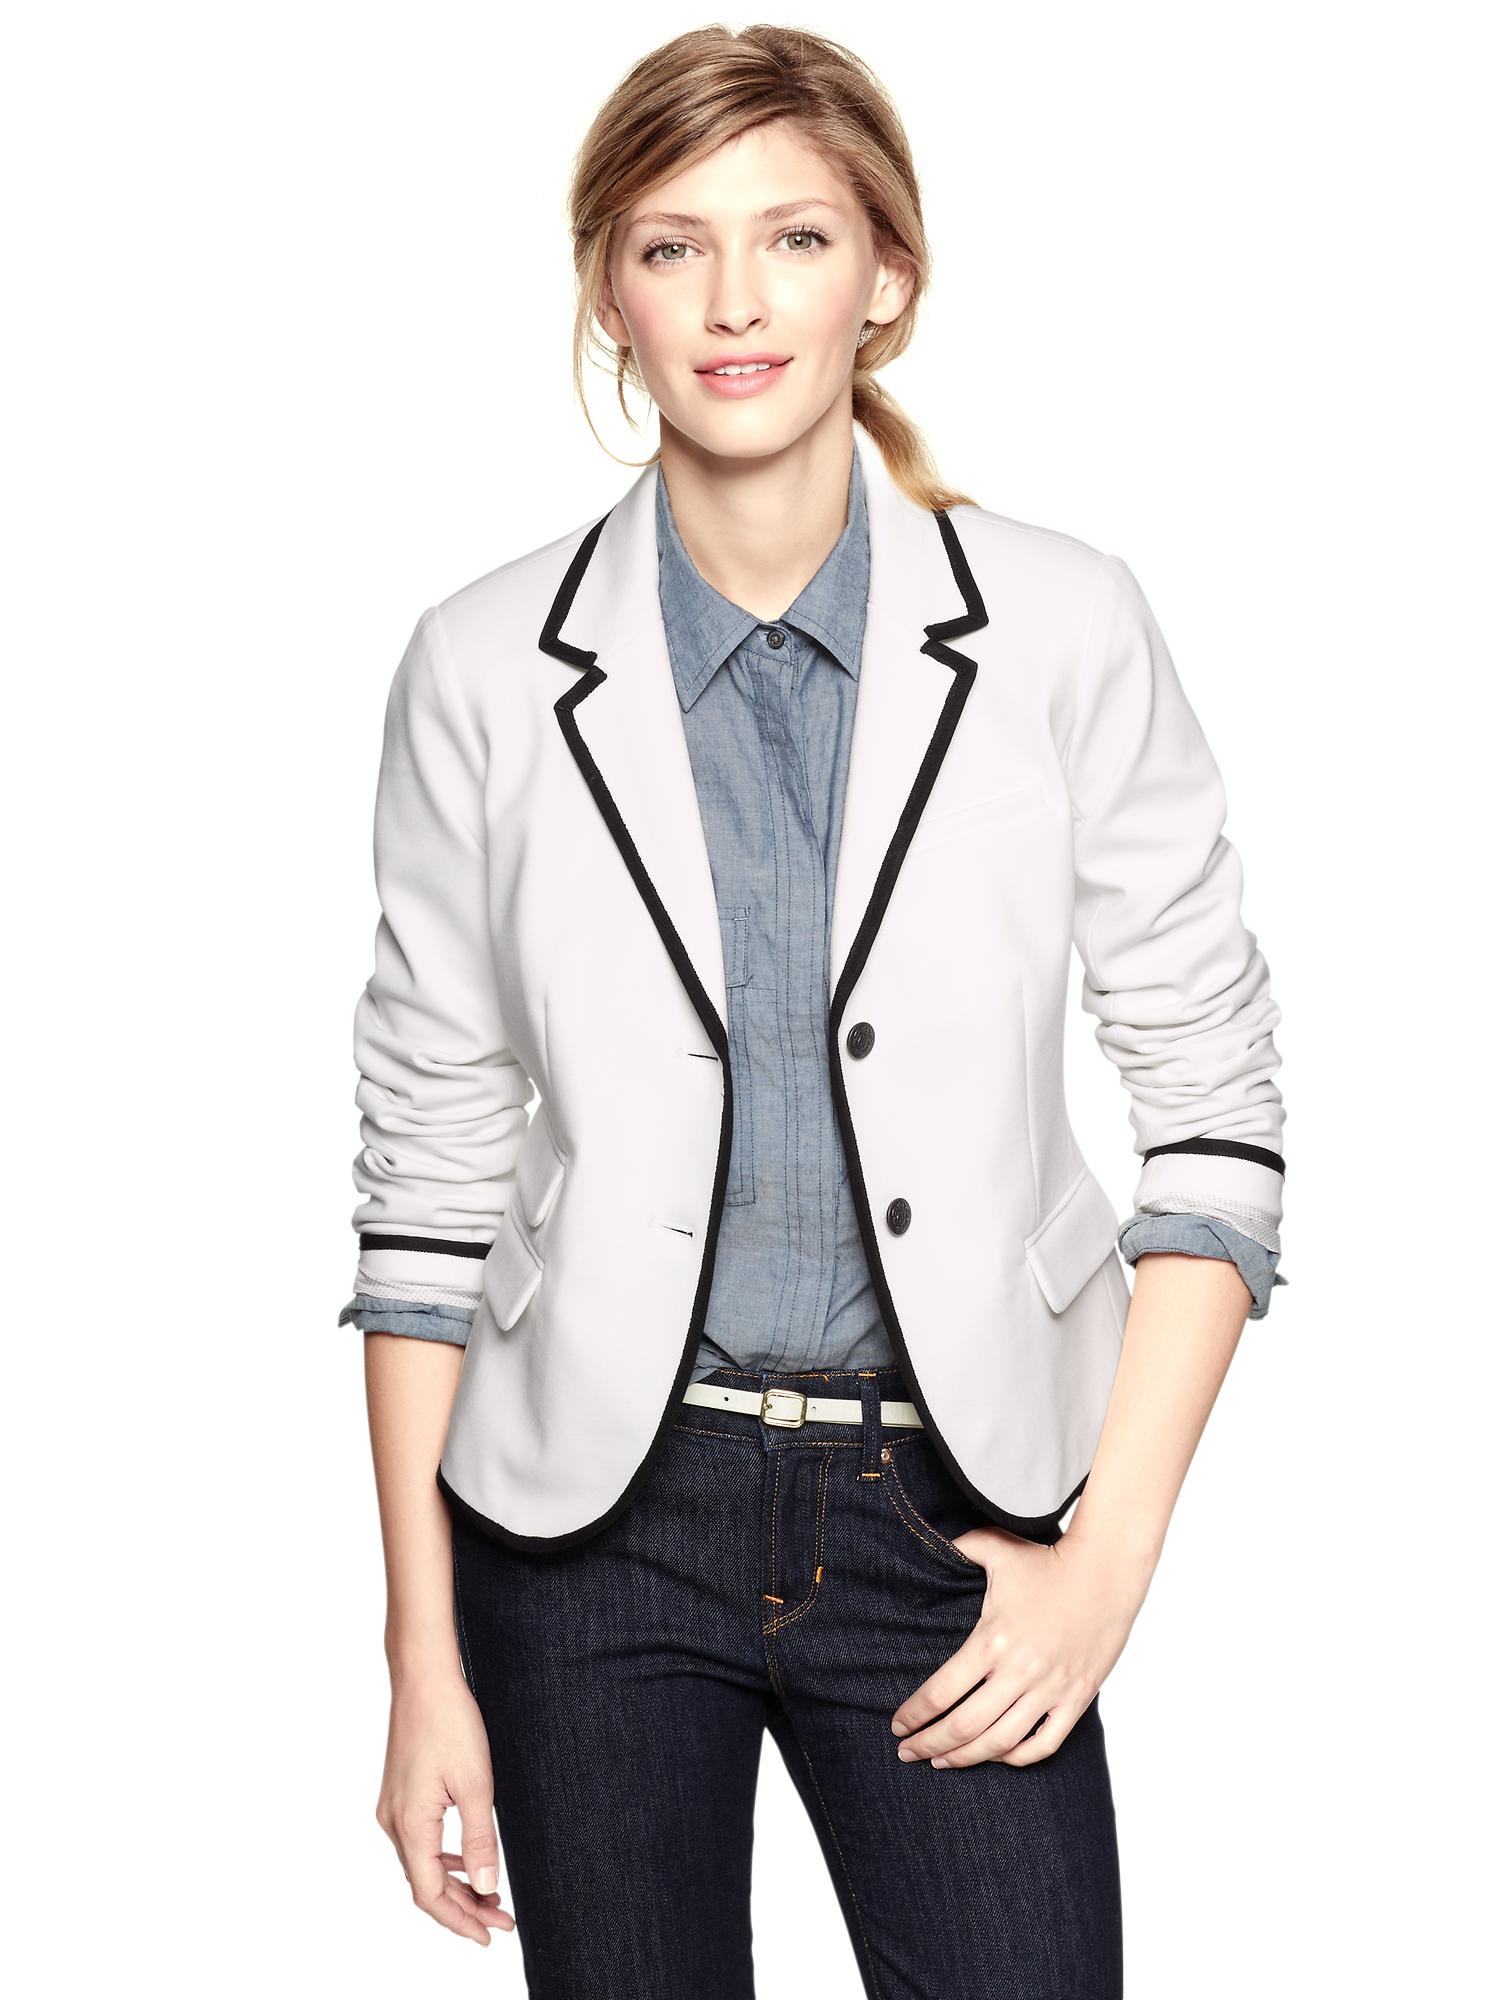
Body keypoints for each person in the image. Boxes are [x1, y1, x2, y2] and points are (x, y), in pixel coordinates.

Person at [340, 25, 1288, 1999]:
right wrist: (424, 1656)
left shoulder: (1065, 626)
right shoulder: (479, 668)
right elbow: (427, 1186)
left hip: (946, 1510)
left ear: (887, 278)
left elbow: (1212, 1115)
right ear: (609, 290)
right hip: (589, 1535)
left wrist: (1107, 1563)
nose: (736, 300)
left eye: (795, 238)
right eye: (672, 246)